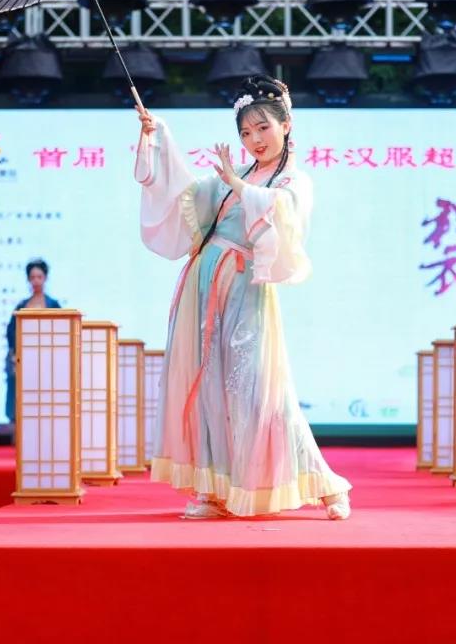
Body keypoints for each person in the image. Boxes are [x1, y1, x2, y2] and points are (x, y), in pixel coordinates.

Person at [134, 75, 352, 520]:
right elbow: (186, 195)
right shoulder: (242, 175)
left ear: (286, 125)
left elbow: (283, 214)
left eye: (263, 128)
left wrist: (238, 184)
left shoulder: (292, 180)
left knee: (259, 393)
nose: (255, 140)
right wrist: (159, 136)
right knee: (208, 387)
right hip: (203, 284)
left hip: (245, 288)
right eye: (246, 132)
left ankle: (327, 486)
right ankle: (213, 490)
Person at [5, 259, 61, 423]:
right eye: (32, 277)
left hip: (48, 360)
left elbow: (61, 332)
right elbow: (11, 332)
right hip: (25, 360)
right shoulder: (22, 306)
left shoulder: (53, 305)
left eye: (39, 277)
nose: (36, 281)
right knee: (25, 400)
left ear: (45, 278)